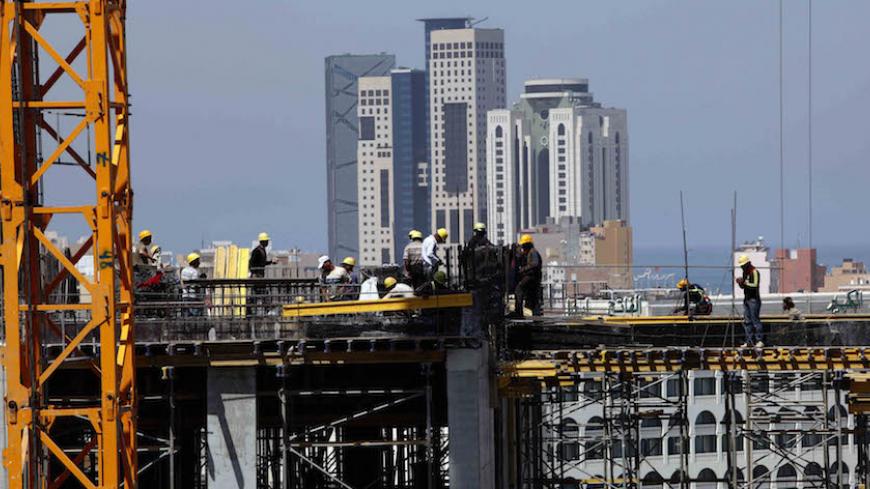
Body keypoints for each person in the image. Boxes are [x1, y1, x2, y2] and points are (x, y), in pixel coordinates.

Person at [736, 254, 763, 347]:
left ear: (747, 263)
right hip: (747, 299)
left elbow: (755, 285)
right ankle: (749, 341)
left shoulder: (754, 272)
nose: (742, 267)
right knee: (747, 321)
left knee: (755, 320)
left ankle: (759, 340)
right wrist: (741, 283)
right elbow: (745, 286)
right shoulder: (745, 273)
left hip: (754, 300)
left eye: (743, 265)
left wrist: (744, 282)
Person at [512, 234, 543, 317]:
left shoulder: (533, 253)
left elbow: (534, 264)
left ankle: (518, 311)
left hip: (532, 277)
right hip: (532, 277)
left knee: (519, 289)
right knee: (532, 297)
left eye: (524, 245)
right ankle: (535, 314)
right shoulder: (529, 252)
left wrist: (523, 269)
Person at [248, 232, 275, 316]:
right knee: (262, 293)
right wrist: (254, 273)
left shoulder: (262, 250)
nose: (267, 242)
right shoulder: (257, 251)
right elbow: (251, 263)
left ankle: (251, 310)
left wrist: (271, 262)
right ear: (263, 241)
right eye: (266, 240)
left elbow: (262, 263)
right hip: (257, 276)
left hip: (259, 276)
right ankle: (265, 310)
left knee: (258, 294)